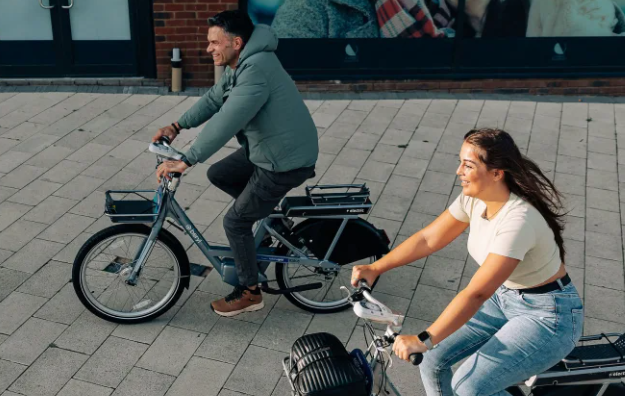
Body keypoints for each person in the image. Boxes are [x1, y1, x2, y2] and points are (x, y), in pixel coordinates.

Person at [351, 128, 584, 396]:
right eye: (460, 161)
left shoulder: (518, 221)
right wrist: (376, 267)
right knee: (432, 362)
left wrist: (423, 339)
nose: (458, 171)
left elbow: (476, 293)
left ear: (497, 173)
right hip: (505, 297)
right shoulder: (474, 199)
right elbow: (429, 238)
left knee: (469, 388)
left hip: (547, 315)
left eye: (468, 165)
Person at [153, 10, 319, 317]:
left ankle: (250, 291)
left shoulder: (255, 70)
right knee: (220, 174)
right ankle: (272, 220)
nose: (208, 49)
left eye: (215, 43)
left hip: (283, 159)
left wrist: (186, 159)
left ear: (237, 42)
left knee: (235, 222)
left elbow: (227, 120)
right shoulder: (243, 62)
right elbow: (215, 99)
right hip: (270, 148)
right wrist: (177, 126)